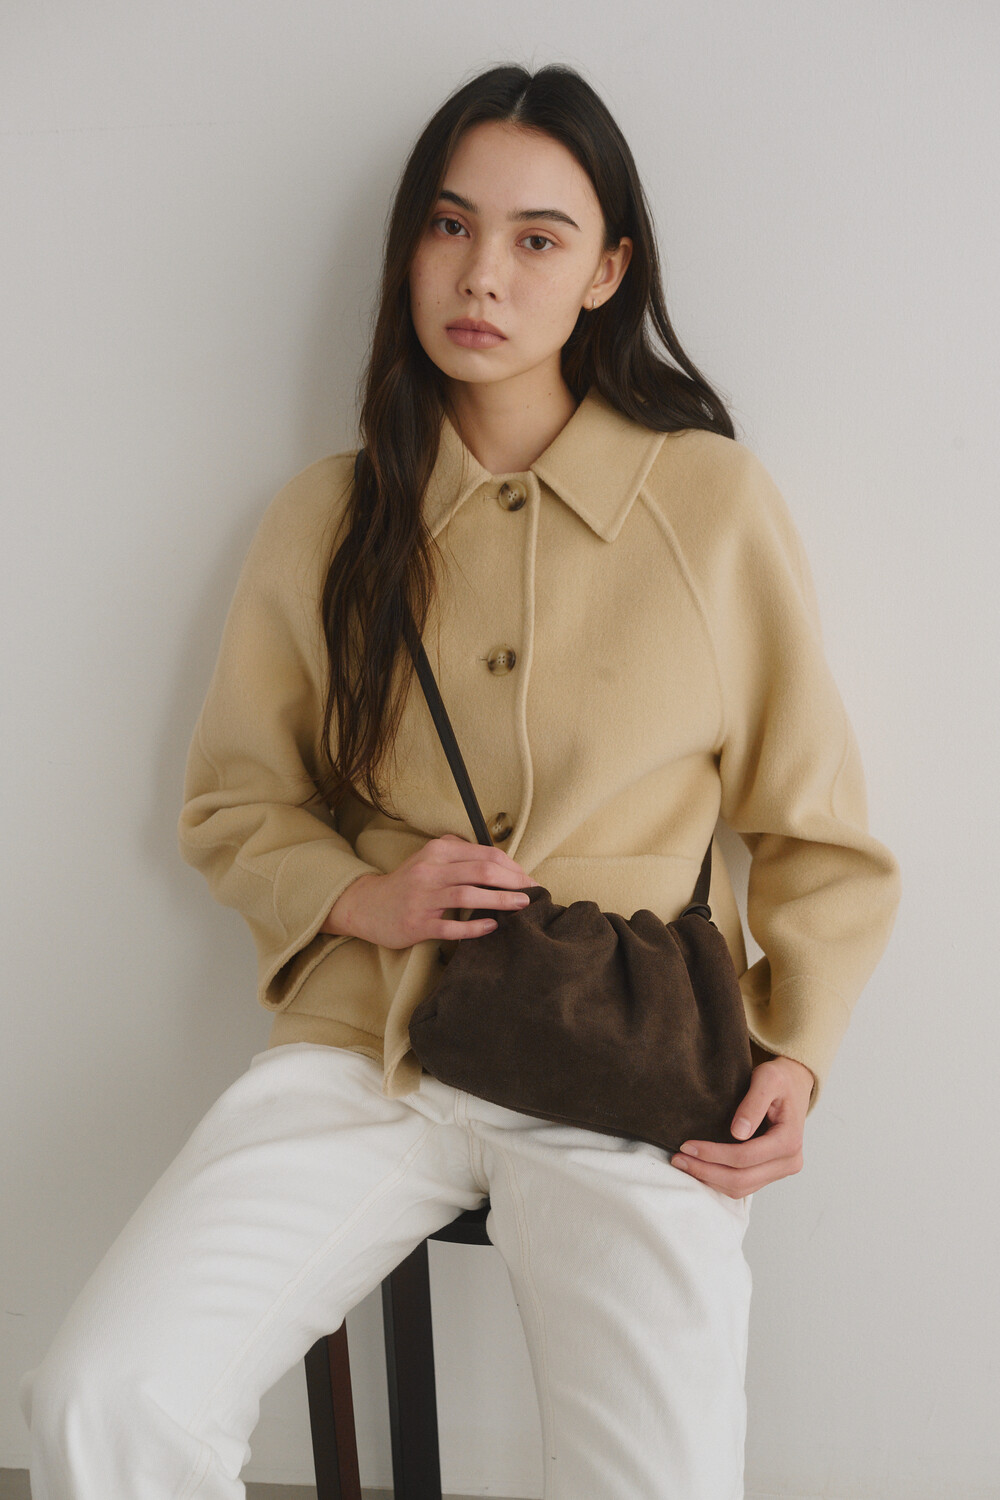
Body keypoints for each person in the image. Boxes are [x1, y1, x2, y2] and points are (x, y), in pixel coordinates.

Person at [19, 62, 901, 1500]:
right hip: (367, 1050)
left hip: (624, 1066)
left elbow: (815, 832)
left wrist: (796, 1053)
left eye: (539, 238)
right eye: (450, 224)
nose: (482, 274)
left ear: (608, 273)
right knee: (105, 1402)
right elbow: (236, 802)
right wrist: (359, 895)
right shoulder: (327, 516)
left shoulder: (707, 504)